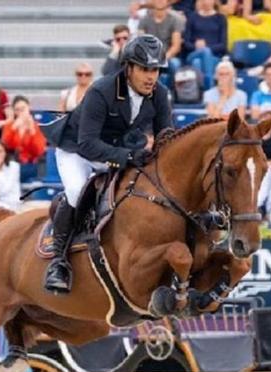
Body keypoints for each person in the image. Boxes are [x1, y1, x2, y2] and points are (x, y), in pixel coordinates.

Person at [42, 34, 174, 294]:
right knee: (77, 190)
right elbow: (88, 144)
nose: (151, 77)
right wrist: (127, 156)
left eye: (156, 70)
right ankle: (59, 262)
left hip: (117, 150)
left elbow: (165, 137)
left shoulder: (160, 94)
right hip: (77, 151)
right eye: (145, 69)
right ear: (129, 68)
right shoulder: (101, 90)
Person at [139, 0, 186, 85]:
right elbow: (141, 42)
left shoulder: (175, 19)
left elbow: (176, 46)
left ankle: (172, 93)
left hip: (168, 56)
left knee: (175, 64)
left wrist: (163, 58)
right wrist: (152, 58)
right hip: (149, 56)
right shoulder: (144, 19)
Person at [182, 0, 227, 88]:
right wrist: (196, 46)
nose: (206, 2)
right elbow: (186, 43)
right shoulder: (192, 17)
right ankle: (210, 86)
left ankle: (200, 91)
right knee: (201, 55)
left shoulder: (221, 18)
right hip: (193, 54)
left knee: (197, 62)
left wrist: (206, 47)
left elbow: (223, 45)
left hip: (214, 56)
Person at [2, 95, 47, 182]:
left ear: (28, 108)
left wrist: (32, 131)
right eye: (17, 110)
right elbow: (5, 145)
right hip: (13, 163)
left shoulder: (36, 127)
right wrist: (14, 128)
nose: (20, 112)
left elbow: (39, 151)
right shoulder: (9, 126)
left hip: (31, 164)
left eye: (23, 109)